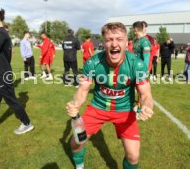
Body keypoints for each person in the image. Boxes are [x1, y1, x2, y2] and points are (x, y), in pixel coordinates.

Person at [66, 22, 154, 169]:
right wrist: (75, 105)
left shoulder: (137, 64)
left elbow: (146, 94)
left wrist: (146, 106)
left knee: (133, 156)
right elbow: (82, 90)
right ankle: (79, 166)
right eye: (109, 40)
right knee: (76, 142)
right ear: (103, 43)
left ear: (127, 42)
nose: (114, 44)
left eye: (119, 39)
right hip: (97, 109)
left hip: (125, 111)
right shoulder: (93, 62)